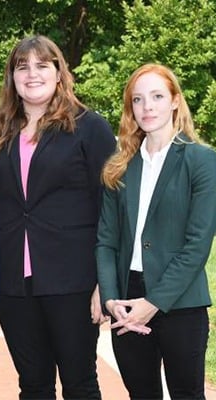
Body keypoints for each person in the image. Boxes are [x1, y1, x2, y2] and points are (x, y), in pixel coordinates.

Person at [0, 35, 116, 399]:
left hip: (73, 281)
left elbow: (111, 207)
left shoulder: (89, 127)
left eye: (42, 65)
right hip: (14, 285)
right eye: (22, 66)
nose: (32, 73)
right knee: (33, 385)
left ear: (59, 72)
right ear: (12, 77)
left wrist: (105, 281)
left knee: (80, 382)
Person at [96, 63, 216, 399]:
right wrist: (110, 299)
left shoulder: (202, 161)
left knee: (187, 394)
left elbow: (197, 245)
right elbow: (105, 241)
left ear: (175, 101)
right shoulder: (118, 168)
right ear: (130, 107)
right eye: (138, 99)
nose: (147, 106)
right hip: (126, 300)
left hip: (181, 303)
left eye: (157, 96)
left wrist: (154, 302)